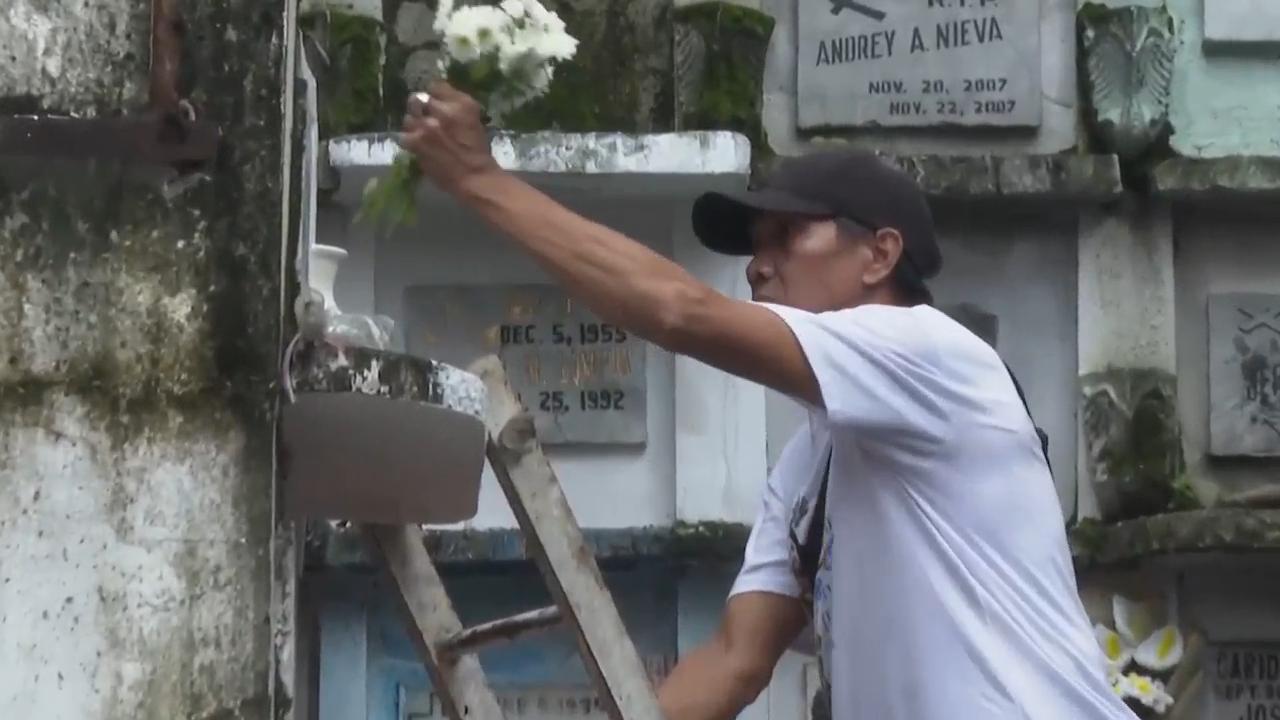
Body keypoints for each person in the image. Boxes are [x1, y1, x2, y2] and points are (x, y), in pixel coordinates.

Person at [398, 83, 1136, 720]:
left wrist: (480, 180)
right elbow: (735, 659)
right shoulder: (812, 462)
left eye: (787, 236)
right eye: (755, 244)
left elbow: (679, 312)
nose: (758, 266)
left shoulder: (929, 351)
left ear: (880, 254)